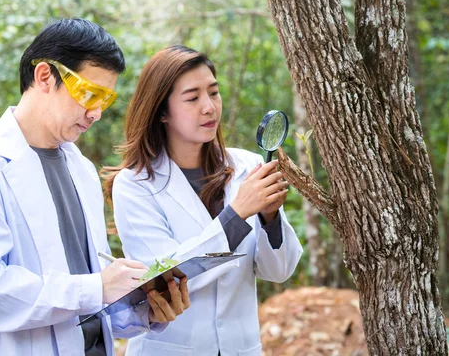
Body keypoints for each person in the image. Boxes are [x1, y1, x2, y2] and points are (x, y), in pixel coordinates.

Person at [0, 19, 190, 356]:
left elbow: (87, 290)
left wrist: (143, 309)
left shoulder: (80, 169)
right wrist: (96, 287)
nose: (94, 113)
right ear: (44, 77)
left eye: (105, 100)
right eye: (89, 94)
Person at [103, 45, 303, 356]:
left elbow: (279, 271)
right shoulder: (135, 185)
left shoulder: (247, 167)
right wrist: (237, 214)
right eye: (193, 98)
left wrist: (270, 217)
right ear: (162, 111)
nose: (209, 107)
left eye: (214, 92)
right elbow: (168, 276)